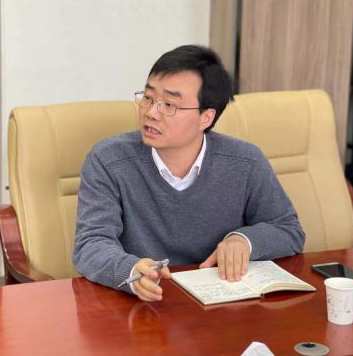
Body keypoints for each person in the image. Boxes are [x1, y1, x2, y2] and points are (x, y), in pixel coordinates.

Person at [73, 45, 305, 302]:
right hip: (144, 305)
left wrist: (244, 241)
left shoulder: (246, 161)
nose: (151, 112)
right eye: (148, 98)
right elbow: (90, 245)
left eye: (169, 104)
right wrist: (130, 270)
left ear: (206, 117)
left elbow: (288, 230)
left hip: (222, 303)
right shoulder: (108, 160)